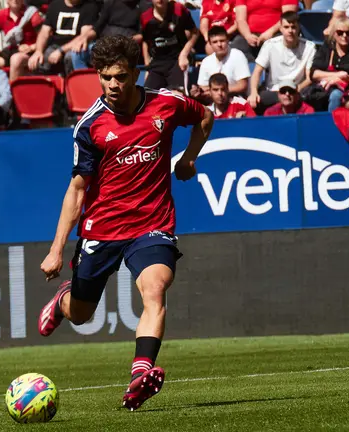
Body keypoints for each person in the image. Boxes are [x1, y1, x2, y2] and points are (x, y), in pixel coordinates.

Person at [37, 35, 214, 411]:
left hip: (153, 222)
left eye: (119, 76)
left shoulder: (166, 104)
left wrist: (187, 159)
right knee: (81, 314)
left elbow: (204, 117)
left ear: (136, 73)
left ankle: (140, 375)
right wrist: (56, 250)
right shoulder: (91, 126)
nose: (113, 85)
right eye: (105, 77)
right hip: (102, 228)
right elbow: (77, 189)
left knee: (155, 287)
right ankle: (63, 302)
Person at [247, 11, 315, 113]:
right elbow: (257, 71)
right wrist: (253, 92)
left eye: (293, 27)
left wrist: (297, 89)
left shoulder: (309, 47)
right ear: (280, 29)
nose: (290, 31)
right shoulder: (270, 45)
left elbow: (309, 78)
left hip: (297, 90)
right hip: (274, 90)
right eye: (286, 27)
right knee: (255, 100)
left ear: (299, 28)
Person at [23, 0, 99, 77]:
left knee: (70, 57)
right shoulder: (55, 5)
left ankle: (73, 86)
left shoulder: (89, 6)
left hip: (75, 47)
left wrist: (61, 51)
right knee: (40, 60)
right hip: (55, 46)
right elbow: (44, 32)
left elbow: (84, 36)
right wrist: (38, 51)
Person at [140, 0, 199, 91]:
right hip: (157, 62)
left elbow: (195, 32)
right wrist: (148, 67)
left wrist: (184, 54)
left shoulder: (179, 10)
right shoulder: (145, 17)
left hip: (177, 60)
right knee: (147, 95)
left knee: (178, 96)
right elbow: (145, 42)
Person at [309, 16, 349, 111]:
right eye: (340, 33)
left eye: (348, 33)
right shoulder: (326, 49)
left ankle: (332, 122)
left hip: (348, 90)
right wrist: (337, 76)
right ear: (334, 34)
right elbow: (314, 74)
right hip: (325, 89)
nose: (344, 36)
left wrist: (344, 78)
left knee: (336, 95)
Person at [192, 26, 251, 101]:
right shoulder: (206, 61)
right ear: (210, 44)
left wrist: (218, 91)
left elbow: (242, 85)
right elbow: (202, 86)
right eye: (215, 42)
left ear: (227, 40)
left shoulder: (237, 55)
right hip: (213, 101)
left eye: (222, 41)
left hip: (236, 99)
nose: (219, 45)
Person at [231, 0, 298, 61]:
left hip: (276, 32)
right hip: (250, 34)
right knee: (236, 48)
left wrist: (270, 32)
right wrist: (247, 35)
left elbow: (288, 17)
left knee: (279, 45)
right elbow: (240, 20)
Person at [0, 0, 43, 69]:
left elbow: (44, 36)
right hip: (9, 51)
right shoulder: (1, 15)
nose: (15, 0)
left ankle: (12, 80)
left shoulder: (32, 13)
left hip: (29, 54)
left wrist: (31, 47)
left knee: (16, 59)